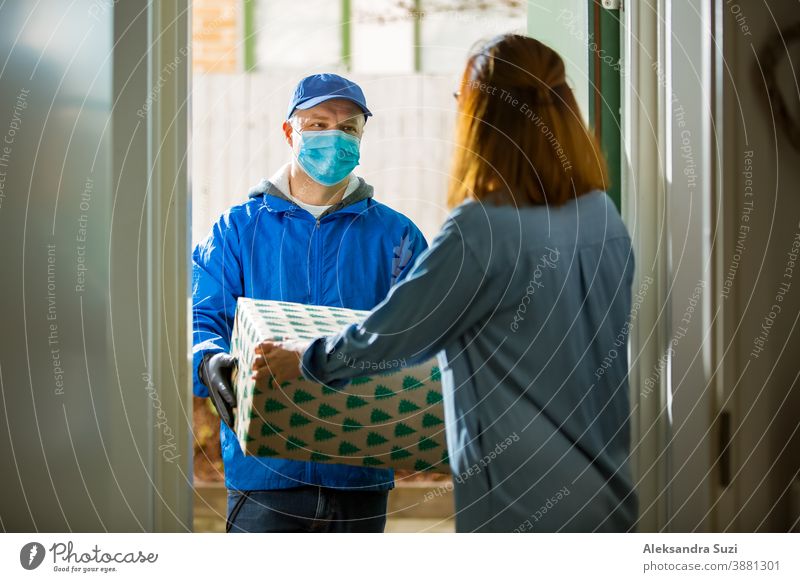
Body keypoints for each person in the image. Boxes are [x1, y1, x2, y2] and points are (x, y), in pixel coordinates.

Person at [255, 35, 639, 532]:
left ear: (482, 115)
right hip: (609, 492)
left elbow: (393, 335)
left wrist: (304, 359)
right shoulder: (602, 218)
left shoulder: (481, 229)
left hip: (524, 501)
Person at [192, 73, 428, 533]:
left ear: (362, 137)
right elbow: (203, 317)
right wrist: (208, 361)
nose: (334, 138)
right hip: (265, 472)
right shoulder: (237, 230)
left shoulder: (397, 237)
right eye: (318, 124)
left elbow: (422, 334)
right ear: (289, 132)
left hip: (358, 470)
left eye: (349, 128)